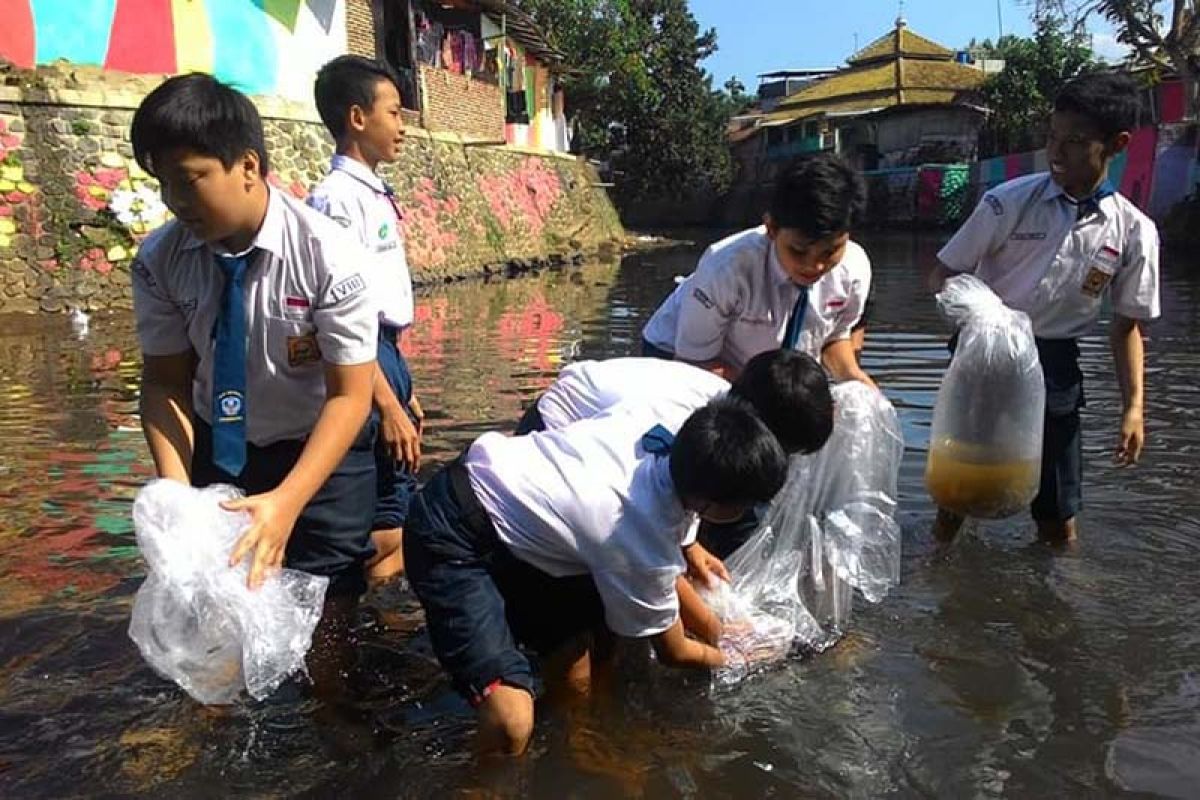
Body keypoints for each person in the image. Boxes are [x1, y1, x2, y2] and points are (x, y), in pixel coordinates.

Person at [403, 397, 789, 756]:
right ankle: (486, 788)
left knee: (576, 670)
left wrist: (712, 616)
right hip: (452, 532)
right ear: (712, 503)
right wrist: (737, 657)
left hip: (521, 524)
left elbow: (676, 529)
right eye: (745, 505)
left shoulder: (658, 433)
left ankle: (572, 751)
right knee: (511, 721)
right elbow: (673, 652)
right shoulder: (637, 535)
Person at [130, 74, 379, 617]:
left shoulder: (329, 255)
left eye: (189, 180)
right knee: (213, 612)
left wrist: (287, 503)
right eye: (163, 184)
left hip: (319, 449)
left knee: (327, 616)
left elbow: (350, 396)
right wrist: (178, 501)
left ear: (247, 166)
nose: (175, 201)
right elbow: (165, 382)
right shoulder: (161, 260)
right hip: (221, 449)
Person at [929, 71, 1160, 544]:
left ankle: (1057, 595)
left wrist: (1134, 408)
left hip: (1055, 365)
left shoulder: (1133, 231)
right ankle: (936, 567)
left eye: (1075, 142)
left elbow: (1126, 328)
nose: (1057, 152)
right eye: (1052, 137)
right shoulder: (1007, 202)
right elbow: (943, 273)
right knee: (956, 496)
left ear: (1115, 144)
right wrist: (979, 317)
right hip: (984, 356)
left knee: (1057, 509)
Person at [514, 349, 835, 570]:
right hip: (557, 429)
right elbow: (645, 512)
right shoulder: (680, 426)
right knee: (615, 555)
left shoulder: (728, 408)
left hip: (613, 432)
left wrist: (691, 547)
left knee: (736, 507)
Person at [308, 55, 420, 583]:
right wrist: (386, 401)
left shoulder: (370, 193)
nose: (402, 126)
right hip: (366, 356)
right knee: (382, 528)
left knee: (393, 520)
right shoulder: (335, 203)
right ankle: (337, 616)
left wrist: (403, 387)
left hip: (386, 355)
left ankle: (372, 628)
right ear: (357, 118)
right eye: (394, 113)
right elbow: (340, 322)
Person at [640, 152, 875, 388]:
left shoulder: (854, 271)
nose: (815, 266)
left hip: (757, 370)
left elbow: (833, 340)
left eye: (829, 252)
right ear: (771, 228)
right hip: (677, 355)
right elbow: (695, 363)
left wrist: (856, 382)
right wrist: (772, 399)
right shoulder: (726, 269)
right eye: (798, 251)